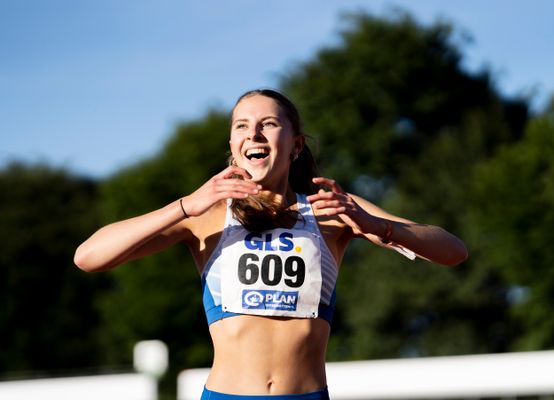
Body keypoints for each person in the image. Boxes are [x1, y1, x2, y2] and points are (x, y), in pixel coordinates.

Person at [74, 89, 468, 400]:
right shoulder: (206, 213)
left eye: (267, 124)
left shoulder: (331, 210)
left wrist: (373, 224)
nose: (254, 134)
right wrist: (184, 206)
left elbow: (453, 251)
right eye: (242, 126)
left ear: (295, 145)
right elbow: (88, 257)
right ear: (232, 144)